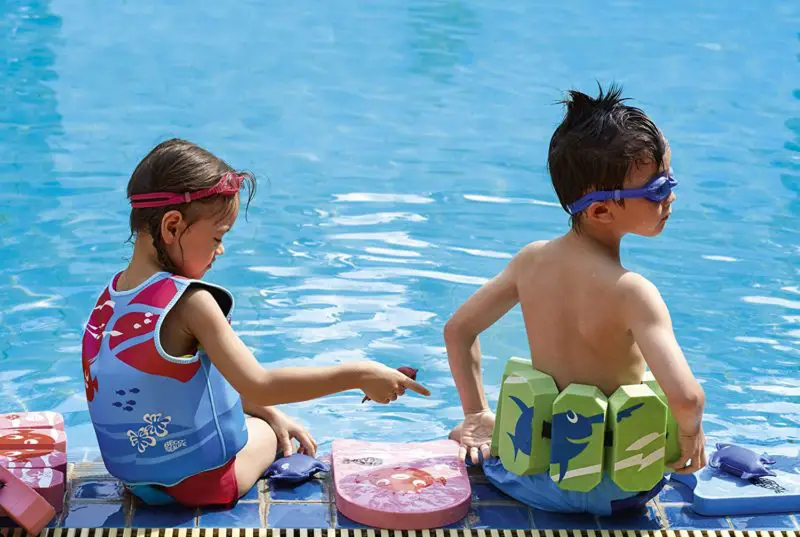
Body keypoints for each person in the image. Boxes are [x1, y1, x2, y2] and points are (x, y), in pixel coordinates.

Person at [81, 139, 430, 508]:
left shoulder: (113, 296)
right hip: (204, 484)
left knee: (266, 413)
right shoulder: (193, 302)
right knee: (276, 432)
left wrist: (266, 408)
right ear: (172, 226)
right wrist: (358, 374)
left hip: (136, 480)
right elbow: (260, 385)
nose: (221, 250)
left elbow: (173, 386)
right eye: (218, 236)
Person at [444, 85, 706, 514]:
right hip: (619, 491)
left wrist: (476, 417)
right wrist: (690, 438)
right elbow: (687, 399)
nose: (671, 195)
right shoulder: (633, 292)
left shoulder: (529, 262)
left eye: (670, 179)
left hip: (525, 478)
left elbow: (458, 330)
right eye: (657, 189)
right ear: (600, 211)